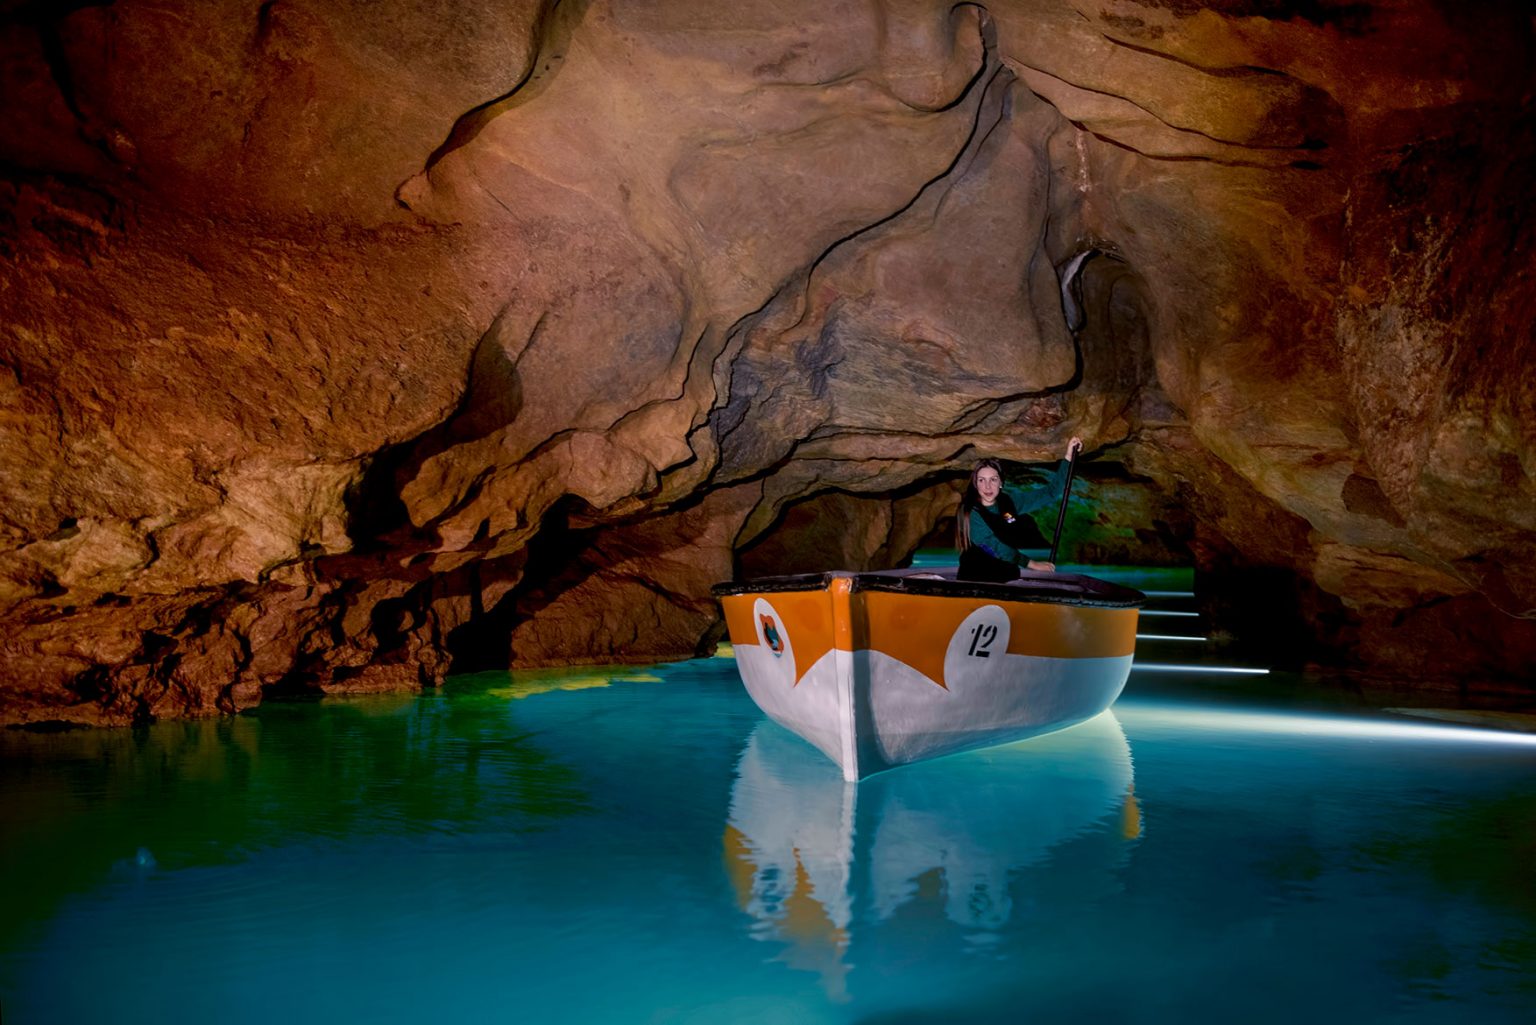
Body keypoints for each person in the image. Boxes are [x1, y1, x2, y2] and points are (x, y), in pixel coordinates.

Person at [956, 437, 1083, 582]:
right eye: (981, 480)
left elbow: (1050, 493)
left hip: (1007, 575)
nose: (987, 486)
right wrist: (1033, 564)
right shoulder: (972, 512)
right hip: (975, 577)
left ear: (1001, 482)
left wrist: (1068, 459)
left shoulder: (1010, 502)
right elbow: (997, 548)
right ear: (975, 484)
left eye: (993, 479)